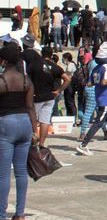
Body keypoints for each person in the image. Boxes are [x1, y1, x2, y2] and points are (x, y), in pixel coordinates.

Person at [0, 44, 37, 220]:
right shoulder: (26, 81)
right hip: (25, 123)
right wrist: (35, 129)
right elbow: (30, 107)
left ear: (3, 61)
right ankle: (20, 213)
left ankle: (1, 213)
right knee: (21, 171)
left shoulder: (1, 80)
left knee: (3, 173)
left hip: (6, 123)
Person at [76, 53, 107, 155]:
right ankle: (83, 145)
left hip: (104, 99)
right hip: (105, 100)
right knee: (98, 123)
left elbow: (90, 83)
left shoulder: (96, 68)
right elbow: (104, 82)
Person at [25, 45, 71, 148]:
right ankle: (42, 143)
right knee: (45, 121)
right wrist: (59, 90)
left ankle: (32, 141)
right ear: (51, 55)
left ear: (41, 53)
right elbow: (67, 79)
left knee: (32, 120)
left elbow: (26, 78)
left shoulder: (34, 65)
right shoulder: (55, 67)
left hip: (36, 96)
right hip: (50, 96)